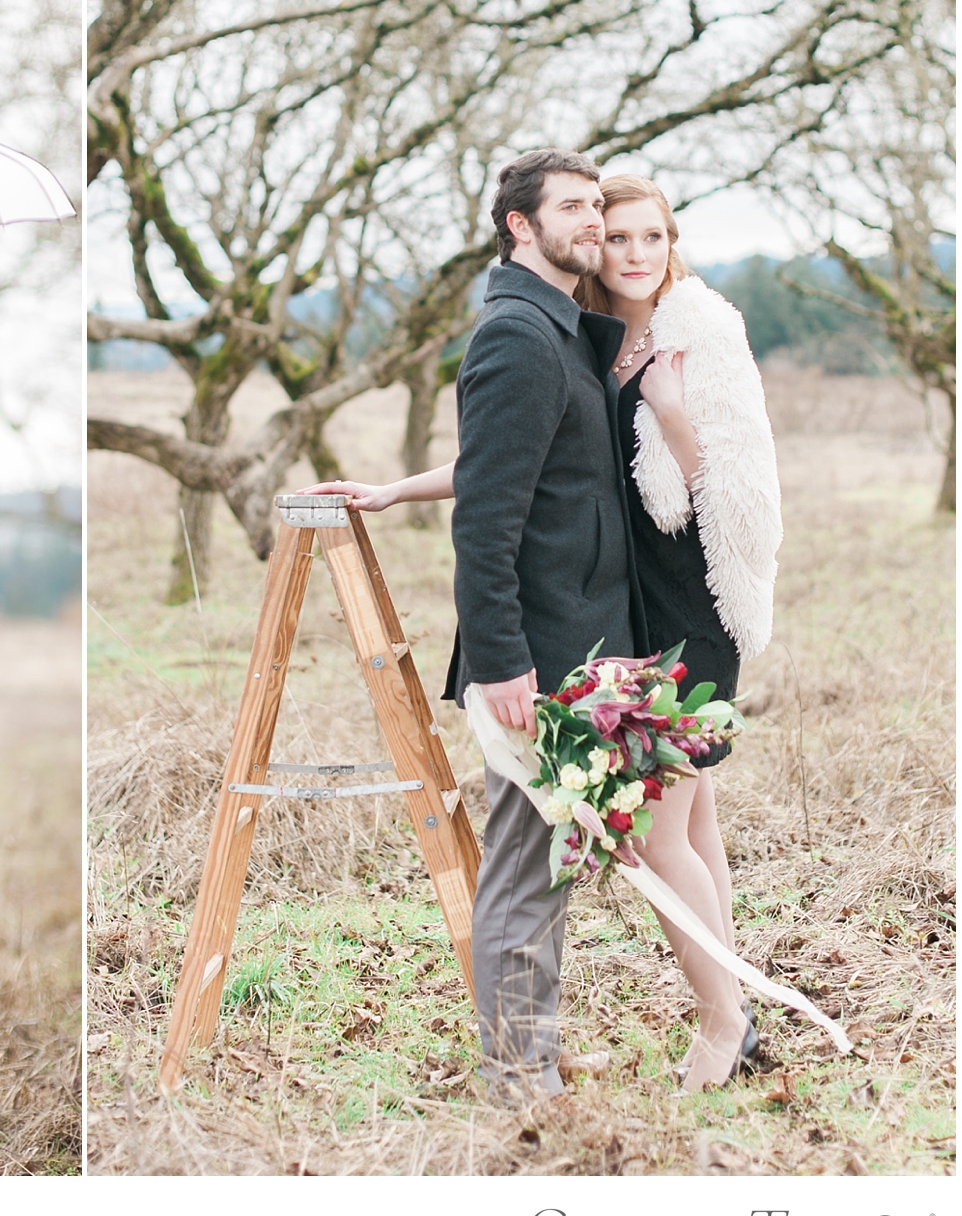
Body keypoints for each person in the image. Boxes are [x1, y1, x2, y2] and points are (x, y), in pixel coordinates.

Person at [305, 171, 781, 1093]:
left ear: (672, 242)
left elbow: (732, 493)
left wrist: (673, 415)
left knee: (659, 837)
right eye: (606, 228)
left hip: (681, 606)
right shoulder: (567, 332)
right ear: (534, 229)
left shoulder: (686, 333)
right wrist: (398, 490)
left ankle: (723, 1023)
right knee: (678, 833)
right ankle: (702, 1022)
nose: (623, 246)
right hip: (617, 618)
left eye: (644, 234)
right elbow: (513, 469)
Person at [310, 148, 645, 1105]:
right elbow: (488, 518)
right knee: (525, 863)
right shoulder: (516, 337)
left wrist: (390, 489)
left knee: (550, 858)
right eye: (572, 208)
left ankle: (531, 1044)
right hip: (535, 655)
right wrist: (501, 660)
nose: (592, 222)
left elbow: (512, 465)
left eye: (595, 205)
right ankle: (513, 1072)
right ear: (518, 225)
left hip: (577, 636)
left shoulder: (556, 329)